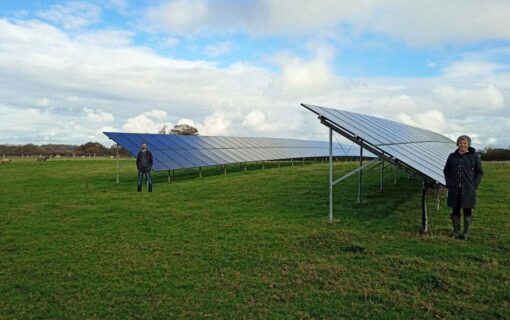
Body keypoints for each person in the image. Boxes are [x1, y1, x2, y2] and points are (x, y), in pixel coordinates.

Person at [443, 135, 483, 240]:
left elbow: (479, 172)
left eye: (465, 143)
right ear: (457, 144)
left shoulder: (474, 156)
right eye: (461, 143)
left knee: (467, 210)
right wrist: (449, 183)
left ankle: (465, 233)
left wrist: (474, 184)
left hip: (468, 189)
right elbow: (446, 170)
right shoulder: (452, 156)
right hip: (455, 189)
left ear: (468, 144)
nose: (463, 145)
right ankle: (456, 232)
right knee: (455, 210)